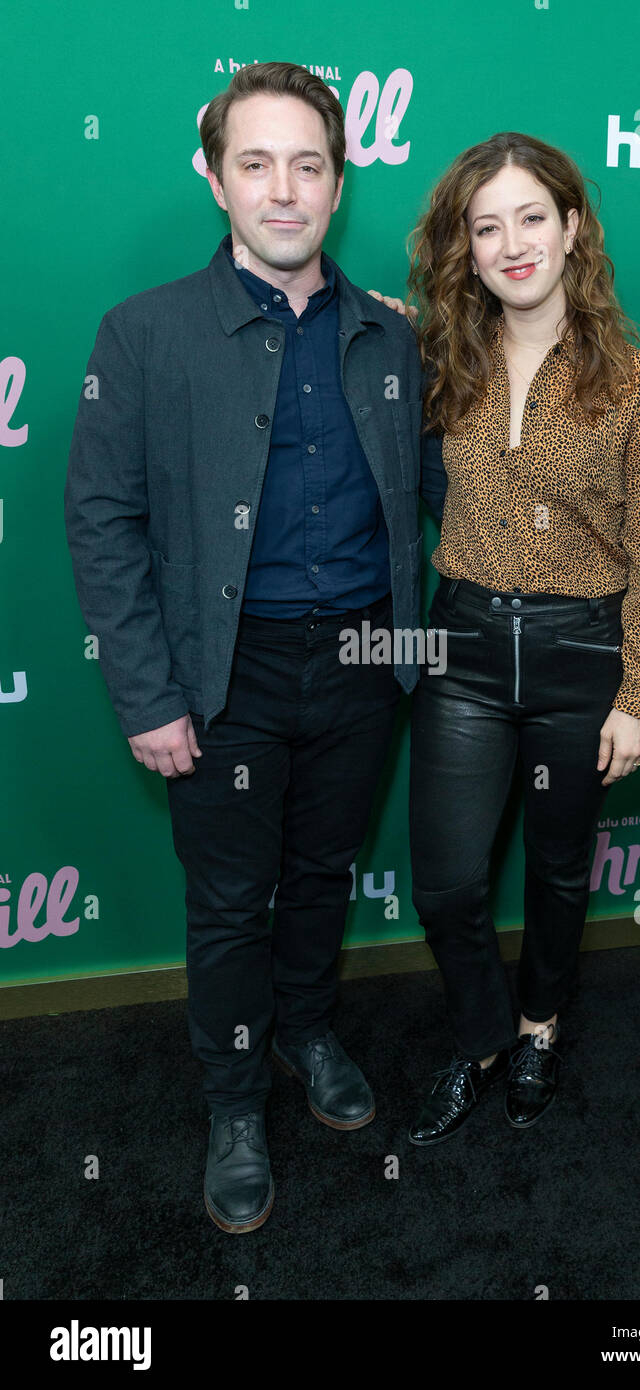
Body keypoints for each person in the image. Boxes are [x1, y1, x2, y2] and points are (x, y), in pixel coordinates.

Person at [64, 61, 427, 1233]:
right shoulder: (145, 332)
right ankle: (232, 1096)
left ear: (339, 181)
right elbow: (100, 517)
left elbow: (430, 505)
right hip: (224, 676)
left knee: (323, 872)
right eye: (256, 163)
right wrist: (146, 692)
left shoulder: (390, 334)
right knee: (229, 902)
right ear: (213, 176)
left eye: (308, 165)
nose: (284, 191)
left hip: (366, 658)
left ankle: (308, 1032)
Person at [402, 131, 640, 1143]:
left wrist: (639, 694)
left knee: (561, 871)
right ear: (464, 248)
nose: (512, 243)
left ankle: (537, 1029)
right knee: (444, 876)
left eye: (532, 217)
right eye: (487, 226)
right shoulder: (434, 357)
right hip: (465, 651)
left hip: (582, 656)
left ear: (573, 229)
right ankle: (481, 1035)